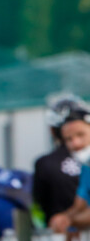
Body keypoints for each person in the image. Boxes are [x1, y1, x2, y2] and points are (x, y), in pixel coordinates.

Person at [33, 95, 83, 226]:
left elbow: (38, 208)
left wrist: (68, 221)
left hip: (56, 237)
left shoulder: (44, 164)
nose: (76, 144)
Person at [48, 103, 90, 235]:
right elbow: (79, 205)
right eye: (69, 139)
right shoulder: (86, 166)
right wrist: (63, 219)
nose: (75, 143)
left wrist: (69, 222)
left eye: (81, 135)